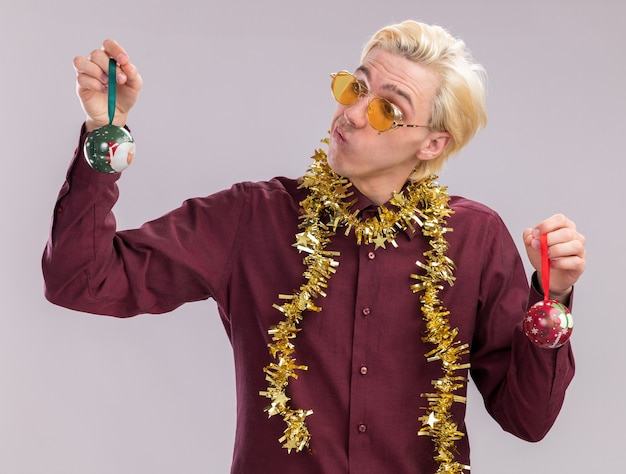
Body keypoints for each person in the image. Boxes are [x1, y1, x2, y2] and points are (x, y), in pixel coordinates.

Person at [42, 20, 586, 473]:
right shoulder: (251, 217)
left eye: (386, 109)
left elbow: (528, 419)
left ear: (433, 142)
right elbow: (81, 280)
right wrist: (103, 134)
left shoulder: (476, 238)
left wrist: (552, 300)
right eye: (356, 87)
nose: (351, 112)